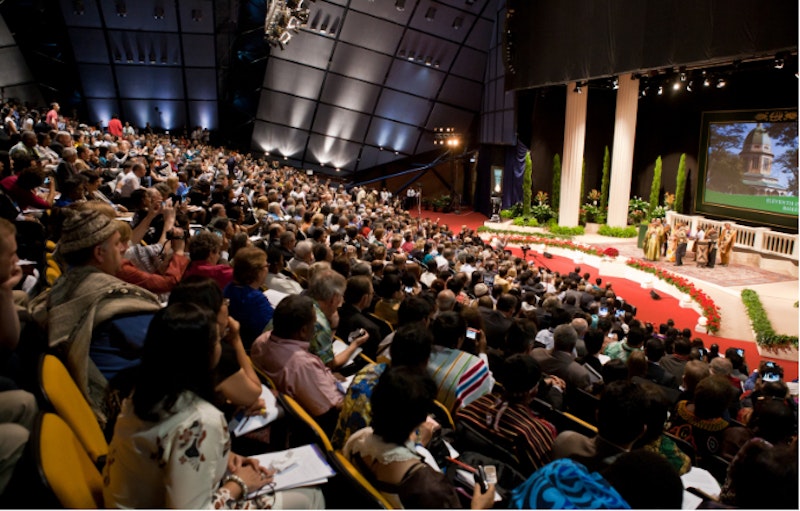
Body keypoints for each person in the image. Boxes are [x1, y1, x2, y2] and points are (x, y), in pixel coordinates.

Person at [103, 303, 324, 509]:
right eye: (218, 340)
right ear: (204, 355)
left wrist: (224, 456)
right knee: (312, 496)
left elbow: (166, 453)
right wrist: (239, 483)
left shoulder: (141, 389)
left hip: (125, 500)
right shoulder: (200, 420)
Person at [28, 209, 162, 425]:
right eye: (119, 243)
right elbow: (172, 347)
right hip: (125, 413)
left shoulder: (64, 285)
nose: (125, 248)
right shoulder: (115, 303)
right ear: (100, 253)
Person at [343, 367, 495, 509]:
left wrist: (419, 447)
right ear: (422, 418)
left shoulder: (357, 439)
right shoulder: (431, 489)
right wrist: (479, 507)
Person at [251, 294, 344, 434]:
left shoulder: (261, 341)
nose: (315, 327)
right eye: (314, 323)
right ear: (303, 331)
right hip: (318, 424)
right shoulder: (303, 365)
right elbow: (330, 409)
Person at [456, 354, 557, 475]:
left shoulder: (477, 405)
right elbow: (543, 475)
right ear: (534, 391)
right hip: (503, 487)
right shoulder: (534, 432)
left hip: (462, 470)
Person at [223, 247, 274, 351]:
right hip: (255, 349)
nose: (268, 269)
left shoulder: (229, 287)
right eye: (266, 265)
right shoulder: (256, 299)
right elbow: (273, 329)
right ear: (256, 271)